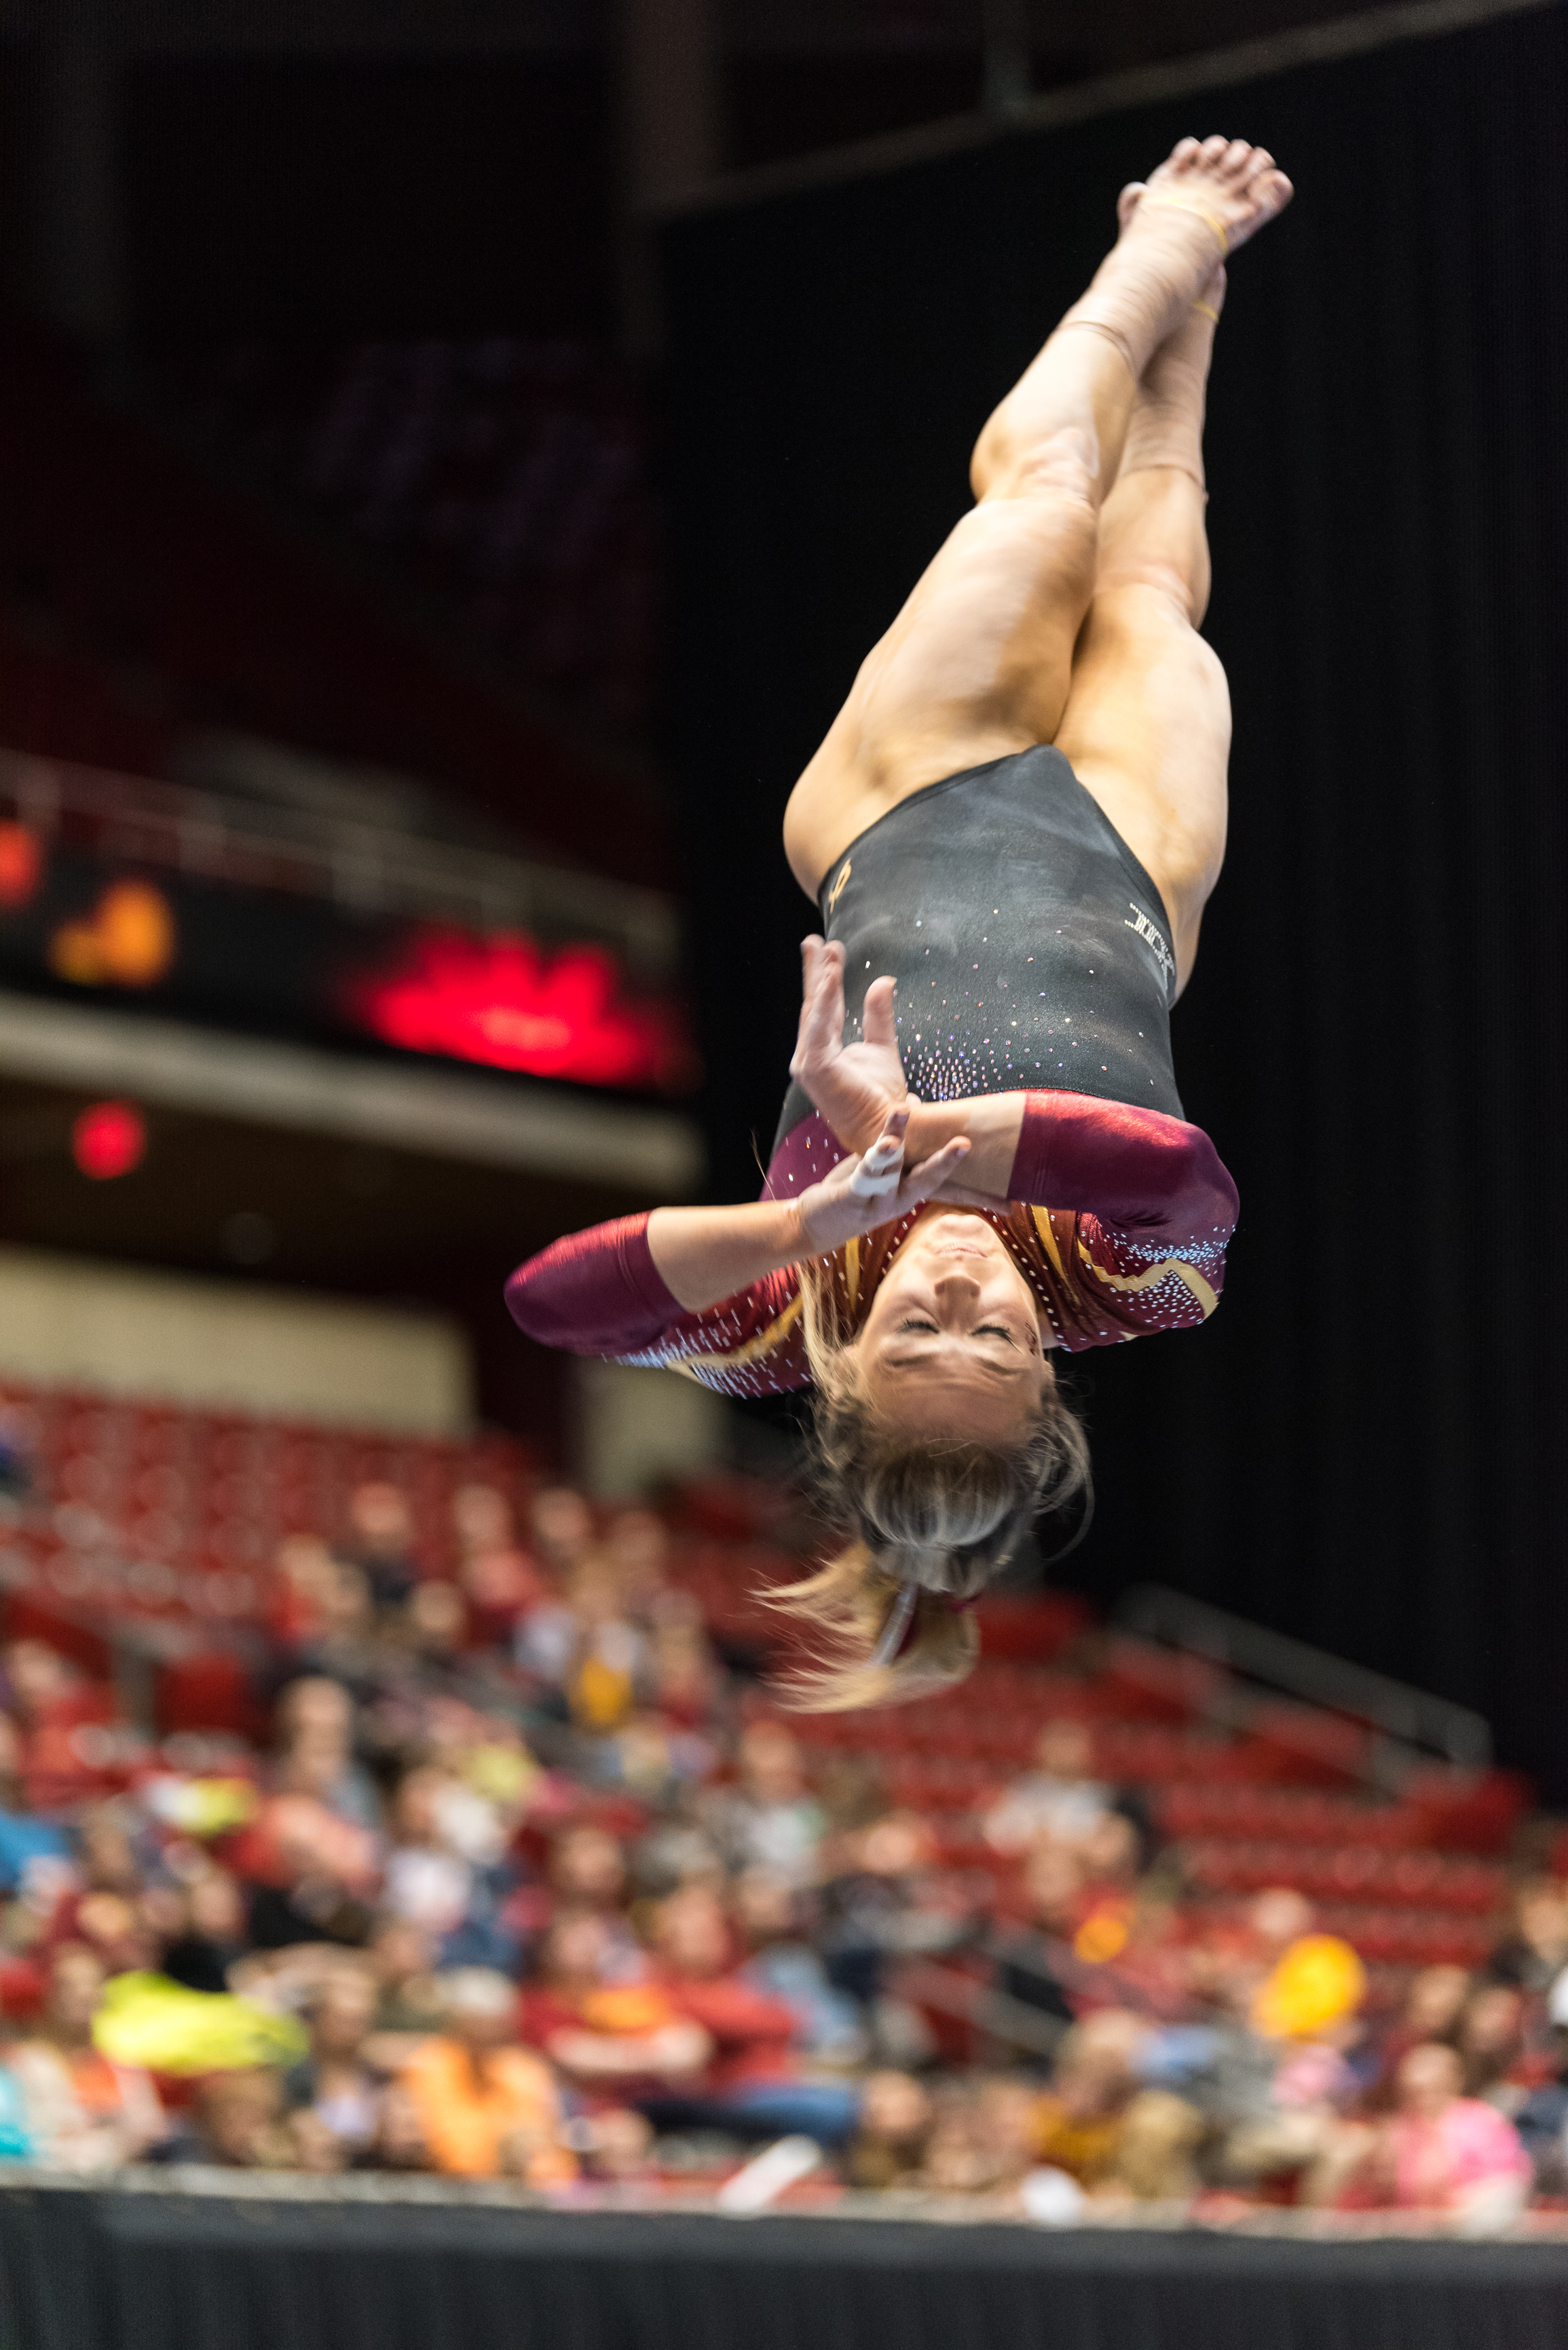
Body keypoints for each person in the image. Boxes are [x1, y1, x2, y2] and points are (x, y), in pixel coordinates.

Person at [508, 137, 1292, 1705]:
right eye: (993, 1347)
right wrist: (931, 1143)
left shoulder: (776, 1307)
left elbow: (552, 1302)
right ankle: (1190, 337)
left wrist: (811, 1222)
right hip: (1133, 876)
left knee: (1048, 496)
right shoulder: (1133, 1290)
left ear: (842, 1375)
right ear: (1048, 1370)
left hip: (900, 806)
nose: (957, 1304)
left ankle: (1145, 267)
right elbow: (1181, 1176)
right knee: (1146, 598)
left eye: (914, 1344)